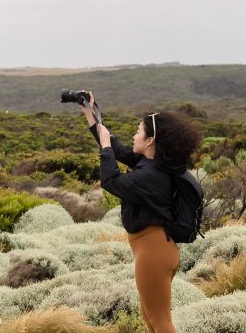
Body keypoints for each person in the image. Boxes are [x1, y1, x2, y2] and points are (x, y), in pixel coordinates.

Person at [80, 93, 202, 333]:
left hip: (154, 252)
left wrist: (105, 147)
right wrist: (92, 115)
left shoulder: (150, 175)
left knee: (160, 322)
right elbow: (119, 151)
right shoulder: (152, 163)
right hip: (156, 249)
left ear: (150, 141)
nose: (134, 136)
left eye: (138, 131)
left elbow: (111, 181)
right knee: (150, 318)